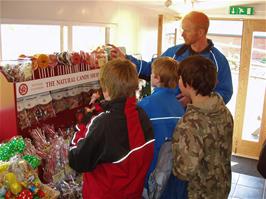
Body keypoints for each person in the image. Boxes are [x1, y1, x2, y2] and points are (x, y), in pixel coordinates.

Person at [68, 58, 155, 199]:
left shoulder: (103, 124)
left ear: (106, 90)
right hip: (133, 192)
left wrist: (83, 124)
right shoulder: (142, 115)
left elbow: (77, 160)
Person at [108, 11, 233, 106]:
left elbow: (225, 93)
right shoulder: (174, 52)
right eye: (182, 30)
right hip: (169, 111)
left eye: (186, 30)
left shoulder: (219, 61)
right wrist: (125, 59)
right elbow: (152, 69)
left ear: (200, 32)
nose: (182, 34)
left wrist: (193, 100)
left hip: (199, 121)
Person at [172, 55, 234, 199]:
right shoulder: (222, 109)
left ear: (189, 82)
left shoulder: (190, 123)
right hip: (222, 186)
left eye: (180, 78)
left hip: (199, 193)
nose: (178, 81)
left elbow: (184, 171)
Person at [137, 57, 185, 198]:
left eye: (152, 73)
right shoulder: (181, 108)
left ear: (156, 78)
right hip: (172, 178)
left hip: (150, 175)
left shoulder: (144, 106)